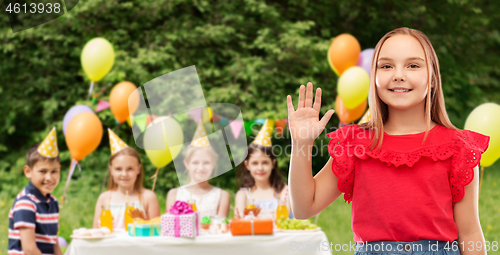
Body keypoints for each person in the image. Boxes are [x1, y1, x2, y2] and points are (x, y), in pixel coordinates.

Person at [287, 27, 490, 255]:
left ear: (432, 78)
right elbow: (305, 207)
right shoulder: (354, 144)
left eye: (413, 65)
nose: (398, 75)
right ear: (374, 78)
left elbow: (470, 233)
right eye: (386, 66)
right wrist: (301, 144)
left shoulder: (458, 147)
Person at [8, 127, 63, 255]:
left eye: (54, 171)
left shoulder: (53, 202)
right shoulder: (26, 203)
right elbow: (29, 249)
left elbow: (55, 246)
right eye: (42, 171)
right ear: (28, 171)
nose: (49, 178)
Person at [93, 129, 160, 230]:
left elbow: (156, 231)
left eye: (130, 169)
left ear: (138, 169)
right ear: (111, 170)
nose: (124, 174)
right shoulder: (104, 198)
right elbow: (96, 232)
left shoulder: (148, 198)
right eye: (118, 169)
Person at [166, 121, 230, 219]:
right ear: (186, 164)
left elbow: (220, 227)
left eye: (206, 163)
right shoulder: (174, 194)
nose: (201, 168)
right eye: (195, 163)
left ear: (213, 164)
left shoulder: (222, 196)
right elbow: (171, 226)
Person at [234, 119, 292, 219]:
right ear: (247, 165)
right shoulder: (243, 195)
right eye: (255, 163)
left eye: (265, 162)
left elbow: (282, 217)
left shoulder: (284, 191)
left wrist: (254, 216)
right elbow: (240, 220)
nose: (260, 168)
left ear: (273, 164)